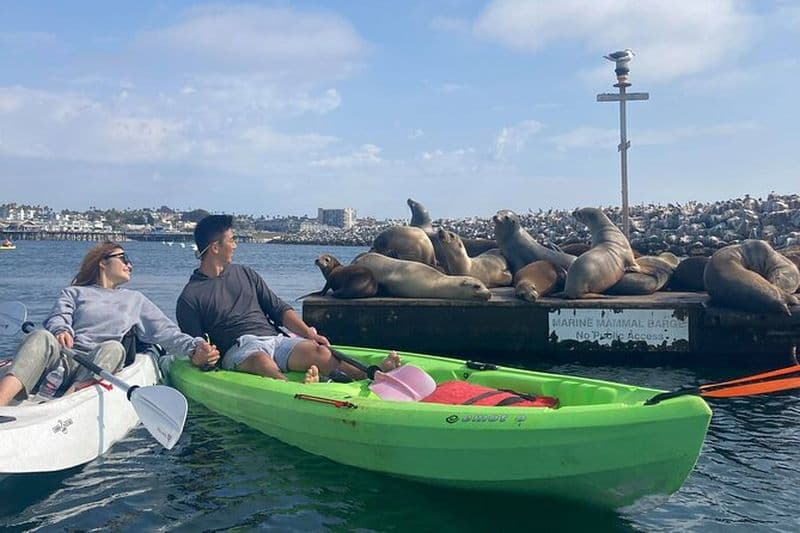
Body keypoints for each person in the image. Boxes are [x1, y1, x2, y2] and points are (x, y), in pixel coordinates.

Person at [176, 215, 400, 383]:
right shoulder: (190, 298)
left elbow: (278, 309)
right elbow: (194, 348)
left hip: (275, 340)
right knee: (262, 362)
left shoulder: (245, 273)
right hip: (240, 349)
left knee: (319, 351)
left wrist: (309, 333)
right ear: (215, 247)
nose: (235, 245)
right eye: (232, 240)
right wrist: (202, 356)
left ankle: (373, 374)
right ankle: (295, 392)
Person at [0, 241, 219, 406]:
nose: (130, 264)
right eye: (124, 258)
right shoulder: (74, 292)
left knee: (114, 347)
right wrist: (61, 329)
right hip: (64, 357)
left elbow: (166, 333)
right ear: (103, 262)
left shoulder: (135, 300)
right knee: (40, 335)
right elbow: (59, 316)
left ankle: (66, 405)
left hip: (97, 363)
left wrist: (195, 348)